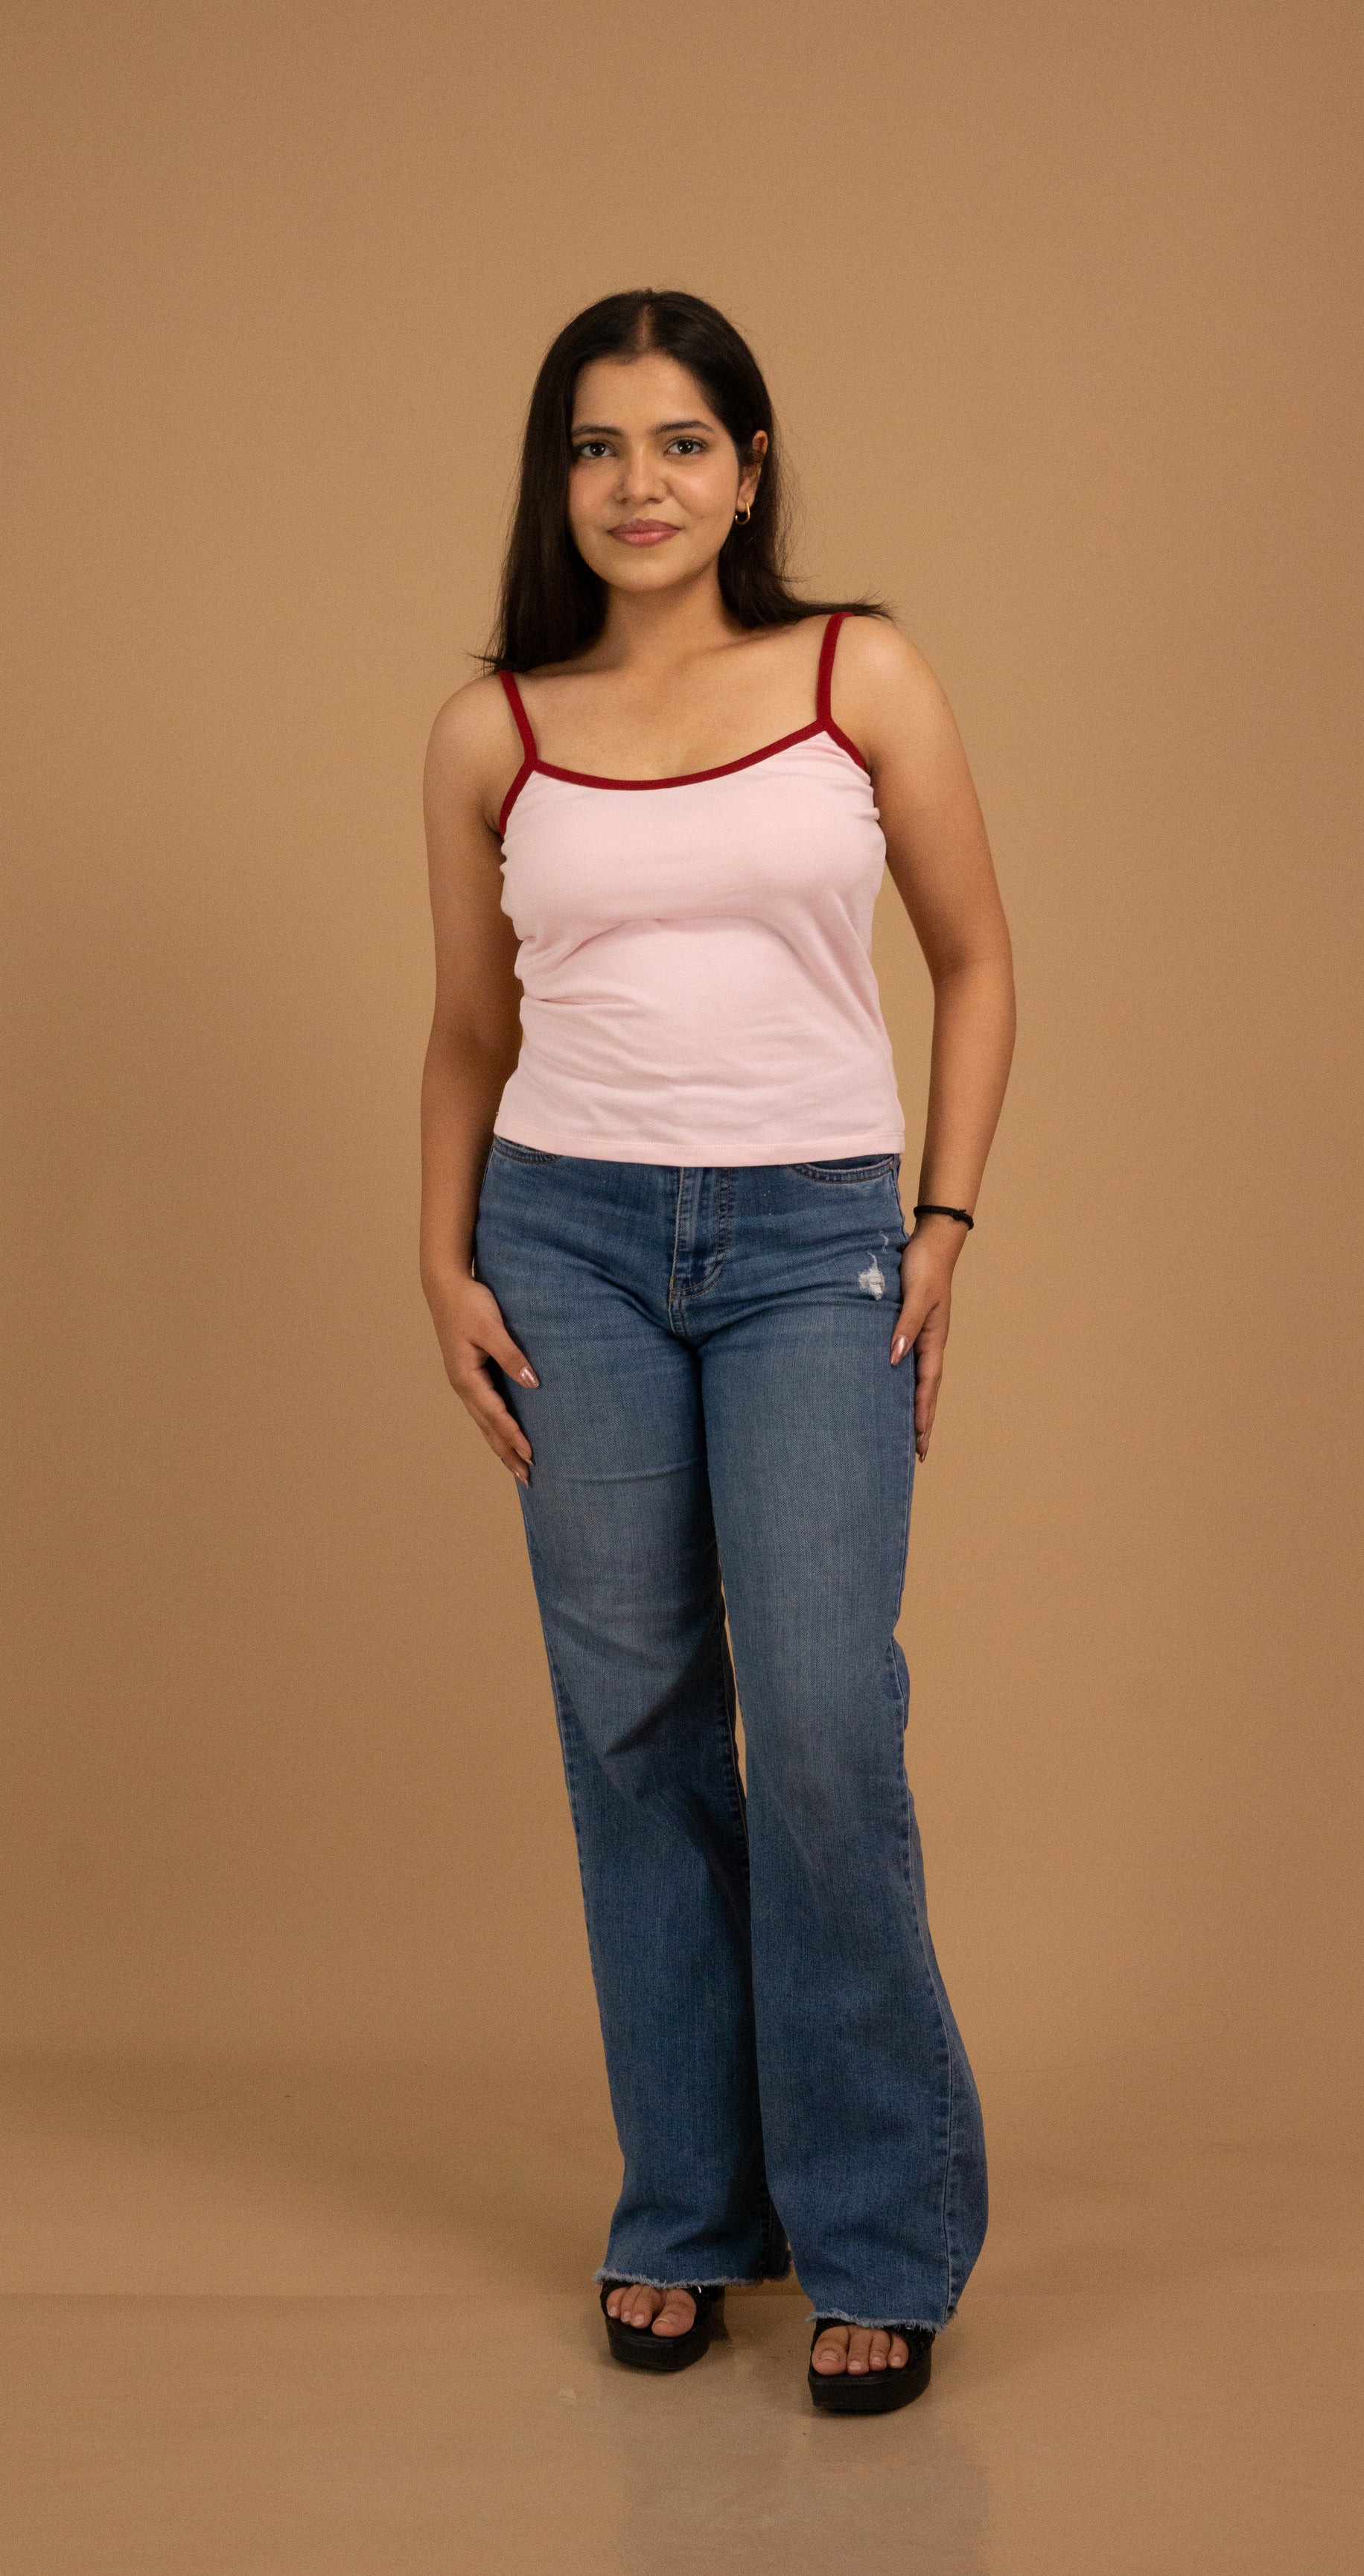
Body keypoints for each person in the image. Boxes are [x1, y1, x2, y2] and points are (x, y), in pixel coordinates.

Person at [419, 288, 1015, 2415]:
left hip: (806, 1244)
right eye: (597, 446)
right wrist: (439, 1257)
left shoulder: (860, 673)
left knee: (826, 1724)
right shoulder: (495, 728)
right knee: (636, 1731)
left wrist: (941, 1221)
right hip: (563, 1242)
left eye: (680, 442)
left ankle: (879, 2235)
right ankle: (687, 2208)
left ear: (748, 470)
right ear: (556, 479)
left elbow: (975, 958)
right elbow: (469, 1028)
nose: (638, 484)